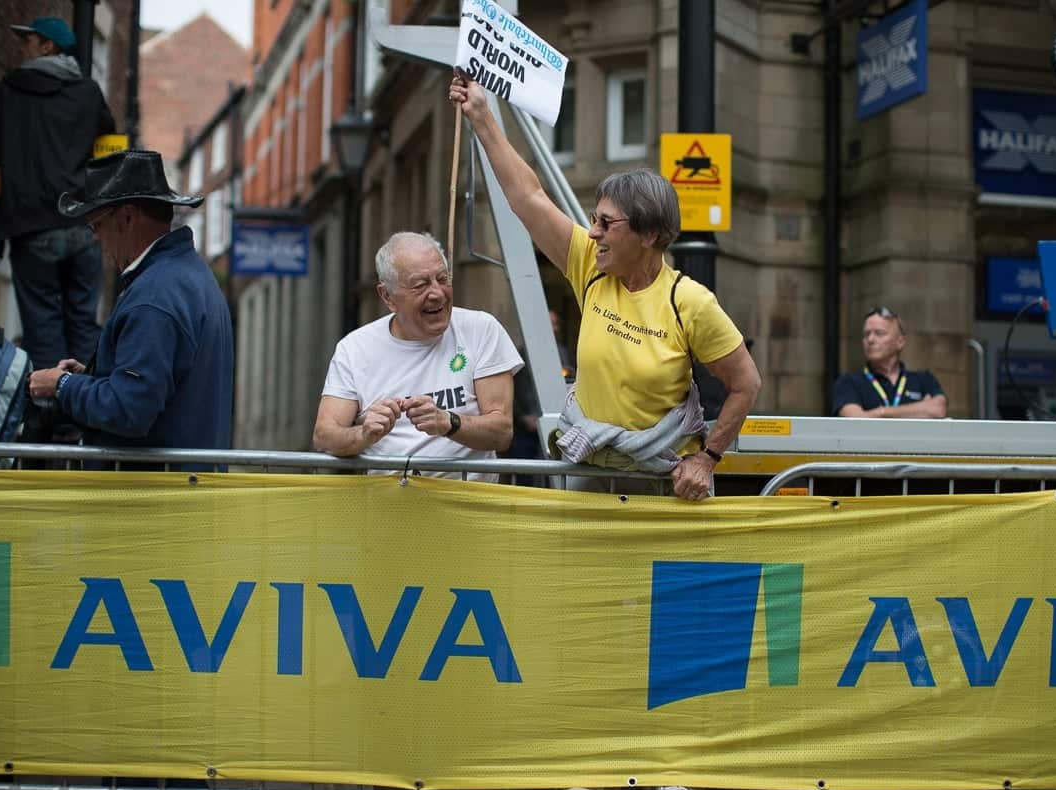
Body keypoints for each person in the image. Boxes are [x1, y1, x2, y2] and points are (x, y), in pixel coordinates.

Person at [450, 74, 762, 502]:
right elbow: (529, 197)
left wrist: (708, 457)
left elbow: (746, 384)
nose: (592, 232)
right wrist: (483, 118)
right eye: (593, 220)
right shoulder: (591, 266)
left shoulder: (688, 301)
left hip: (661, 482)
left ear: (649, 234)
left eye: (606, 223)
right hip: (589, 470)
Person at [27, 150, 234, 471]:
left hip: (150, 504)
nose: (95, 238)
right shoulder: (189, 275)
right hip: (182, 494)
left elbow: (129, 409)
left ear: (126, 217)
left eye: (96, 224)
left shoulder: (154, 295)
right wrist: (96, 377)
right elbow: (161, 388)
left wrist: (62, 385)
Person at [313, 231, 523, 482]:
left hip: (470, 511)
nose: (437, 293)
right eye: (420, 285)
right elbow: (324, 436)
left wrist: (448, 422)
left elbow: (502, 432)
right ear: (387, 296)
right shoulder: (355, 348)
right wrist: (364, 434)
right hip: (390, 511)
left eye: (442, 279)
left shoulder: (481, 329)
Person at [0, 16, 116, 370]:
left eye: (28, 40)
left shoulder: (6, 93)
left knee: (42, 327)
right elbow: (110, 147)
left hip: (32, 224)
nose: (22, 48)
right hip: (83, 224)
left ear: (46, 46)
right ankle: (83, 413)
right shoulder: (89, 94)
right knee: (84, 323)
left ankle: (51, 414)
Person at [832, 305, 946, 418]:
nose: (870, 340)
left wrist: (880, 413)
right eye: (867, 334)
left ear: (900, 342)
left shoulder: (923, 379)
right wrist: (920, 408)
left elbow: (938, 409)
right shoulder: (848, 382)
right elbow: (856, 421)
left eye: (879, 333)